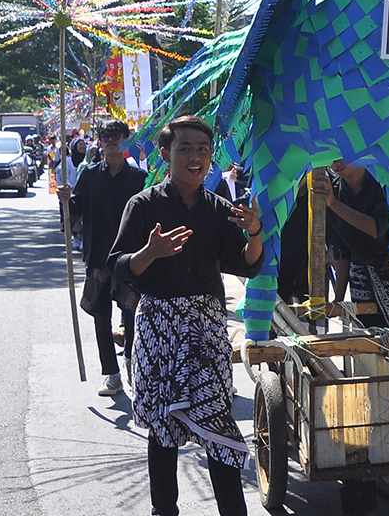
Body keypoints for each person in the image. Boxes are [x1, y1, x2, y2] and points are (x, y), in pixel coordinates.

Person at [108, 115, 265, 516]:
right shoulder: (142, 206)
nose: (195, 157)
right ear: (165, 154)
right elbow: (119, 266)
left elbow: (246, 266)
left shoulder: (219, 208)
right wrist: (150, 253)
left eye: (203, 150)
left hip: (207, 331)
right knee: (163, 432)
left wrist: (254, 233)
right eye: (185, 149)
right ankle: (165, 510)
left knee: (217, 423)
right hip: (158, 328)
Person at [312, 160, 389, 461]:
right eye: (332, 157)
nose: (337, 164)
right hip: (360, 278)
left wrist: (332, 204)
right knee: (367, 355)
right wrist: (337, 299)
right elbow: (341, 252)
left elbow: (376, 228)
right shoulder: (332, 190)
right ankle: (376, 431)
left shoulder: (382, 182)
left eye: (343, 156)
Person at [59, 119, 146, 396]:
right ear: (100, 141)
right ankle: (112, 374)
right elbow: (76, 210)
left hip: (130, 256)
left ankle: (132, 361)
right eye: (105, 136)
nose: (110, 141)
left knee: (132, 313)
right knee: (100, 316)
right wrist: (66, 200)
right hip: (98, 255)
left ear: (125, 139)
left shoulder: (138, 179)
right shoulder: (90, 175)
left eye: (116, 136)